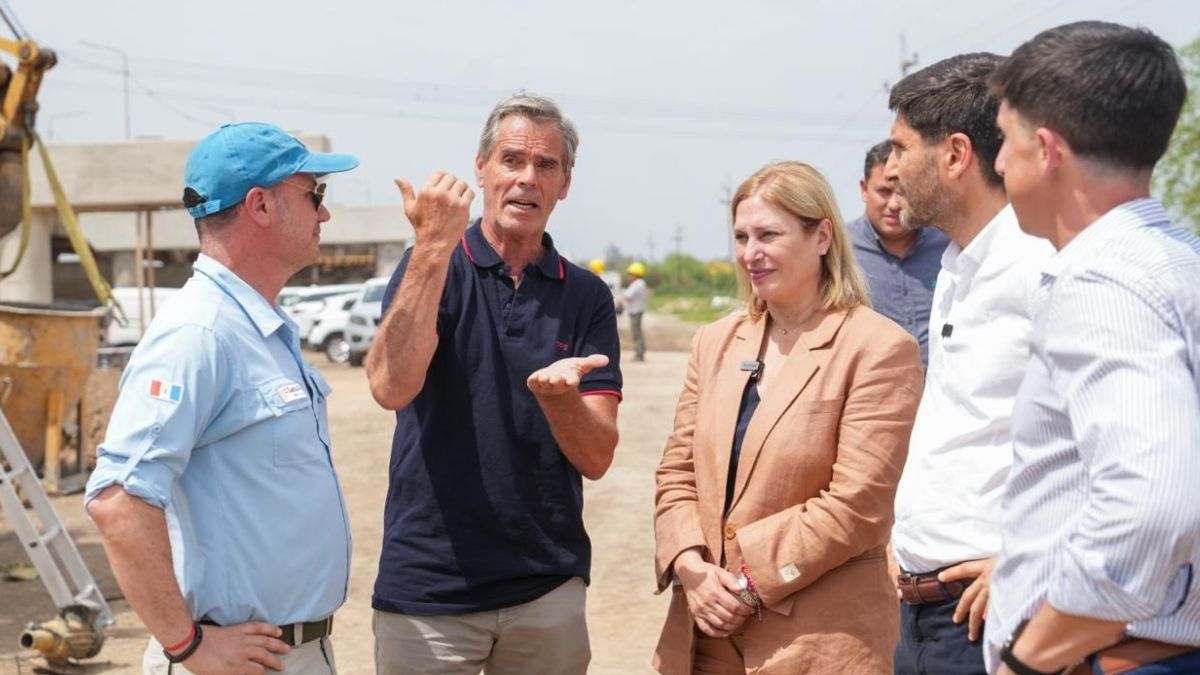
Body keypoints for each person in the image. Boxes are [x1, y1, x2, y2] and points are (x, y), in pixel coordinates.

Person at [84, 122, 359, 674]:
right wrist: (188, 646)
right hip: (231, 660)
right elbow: (119, 501)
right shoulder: (200, 333)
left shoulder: (257, 327)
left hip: (291, 652)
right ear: (260, 205)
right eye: (314, 195)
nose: (323, 214)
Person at [365, 93, 622, 675]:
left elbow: (598, 455)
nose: (527, 179)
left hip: (545, 589)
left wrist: (560, 403)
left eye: (546, 165)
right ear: (481, 169)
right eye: (511, 160)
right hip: (429, 589)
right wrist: (432, 244)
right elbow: (390, 387)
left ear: (565, 184)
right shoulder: (431, 266)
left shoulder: (586, 296)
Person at [984, 22, 1200, 675]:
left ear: (1046, 149)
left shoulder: (1103, 282)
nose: (999, 162)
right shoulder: (1175, 261)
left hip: (1110, 657)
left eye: (1005, 138)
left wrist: (1035, 656)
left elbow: (1154, 501)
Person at [653, 161, 923, 674]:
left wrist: (743, 582)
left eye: (768, 235)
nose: (750, 254)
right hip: (704, 633)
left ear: (822, 236)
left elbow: (858, 506)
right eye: (741, 236)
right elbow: (676, 473)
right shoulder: (714, 342)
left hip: (817, 645)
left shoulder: (879, 348)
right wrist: (691, 569)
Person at [885, 54, 1054, 675]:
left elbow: (1120, 441)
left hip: (994, 615)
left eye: (900, 148)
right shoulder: (958, 267)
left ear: (955, 155)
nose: (890, 168)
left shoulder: (1042, 268)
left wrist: (1033, 561)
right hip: (924, 613)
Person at [847, 139, 948, 366]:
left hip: (940, 391)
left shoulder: (948, 246)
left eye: (902, 192)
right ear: (864, 190)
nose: (894, 204)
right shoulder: (839, 250)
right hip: (872, 390)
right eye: (883, 192)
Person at [623, 261, 648, 361]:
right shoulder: (641, 283)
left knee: (636, 333)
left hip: (635, 312)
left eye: (630, 274)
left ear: (635, 274)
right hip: (638, 311)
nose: (629, 276)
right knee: (638, 332)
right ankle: (640, 352)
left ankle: (639, 354)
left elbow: (627, 296)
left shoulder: (637, 284)